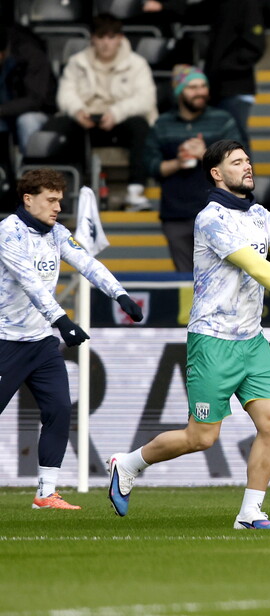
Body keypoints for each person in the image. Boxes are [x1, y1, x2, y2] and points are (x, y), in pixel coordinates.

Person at [107, 140, 270, 529]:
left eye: (247, 160)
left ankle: (250, 513)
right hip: (213, 340)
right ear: (217, 173)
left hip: (251, 339)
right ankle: (128, 464)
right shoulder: (211, 219)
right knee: (201, 437)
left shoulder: (259, 213)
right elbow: (260, 269)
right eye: (236, 162)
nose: (247, 166)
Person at [0, 169, 143, 510]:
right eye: (51, 200)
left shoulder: (56, 233)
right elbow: (30, 282)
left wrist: (120, 295)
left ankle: (46, 492)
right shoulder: (8, 232)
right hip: (5, 340)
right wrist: (62, 321)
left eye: (60, 201)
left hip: (40, 342)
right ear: (28, 199)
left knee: (59, 410)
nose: (57, 207)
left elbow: (88, 264)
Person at [144, 0, 265, 143]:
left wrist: (224, 67)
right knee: (219, 143)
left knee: (235, 142)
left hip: (236, 88)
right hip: (217, 86)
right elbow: (194, 12)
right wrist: (163, 7)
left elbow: (255, 46)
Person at [46, 14, 157, 210]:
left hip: (120, 120)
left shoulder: (137, 63)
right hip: (86, 119)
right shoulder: (77, 62)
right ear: (92, 38)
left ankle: (135, 191)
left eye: (111, 37)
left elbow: (146, 99)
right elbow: (65, 95)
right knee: (60, 126)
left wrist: (116, 113)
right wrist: (78, 111)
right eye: (101, 37)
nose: (106, 43)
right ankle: (69, 192)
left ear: (120, 38)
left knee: (140, 125)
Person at [144, 65, 246, 272]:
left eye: (203, 86)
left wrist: (205, 154)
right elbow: (150, 166)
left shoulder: (222, 120)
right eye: (192, 87)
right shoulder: (163, 124)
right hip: (176, 215)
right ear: (179, 92)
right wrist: (178, 161)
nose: (200, 92)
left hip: (219, 213)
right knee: (186, 278)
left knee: (222, 274)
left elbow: (239, 163)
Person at [0, 25, 55, 152]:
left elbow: (34, 101)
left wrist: (2, 109)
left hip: (38, 113)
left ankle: (31, 163)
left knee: (27, 121)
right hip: (5, 115)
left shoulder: (32, 57)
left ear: (2, 53)